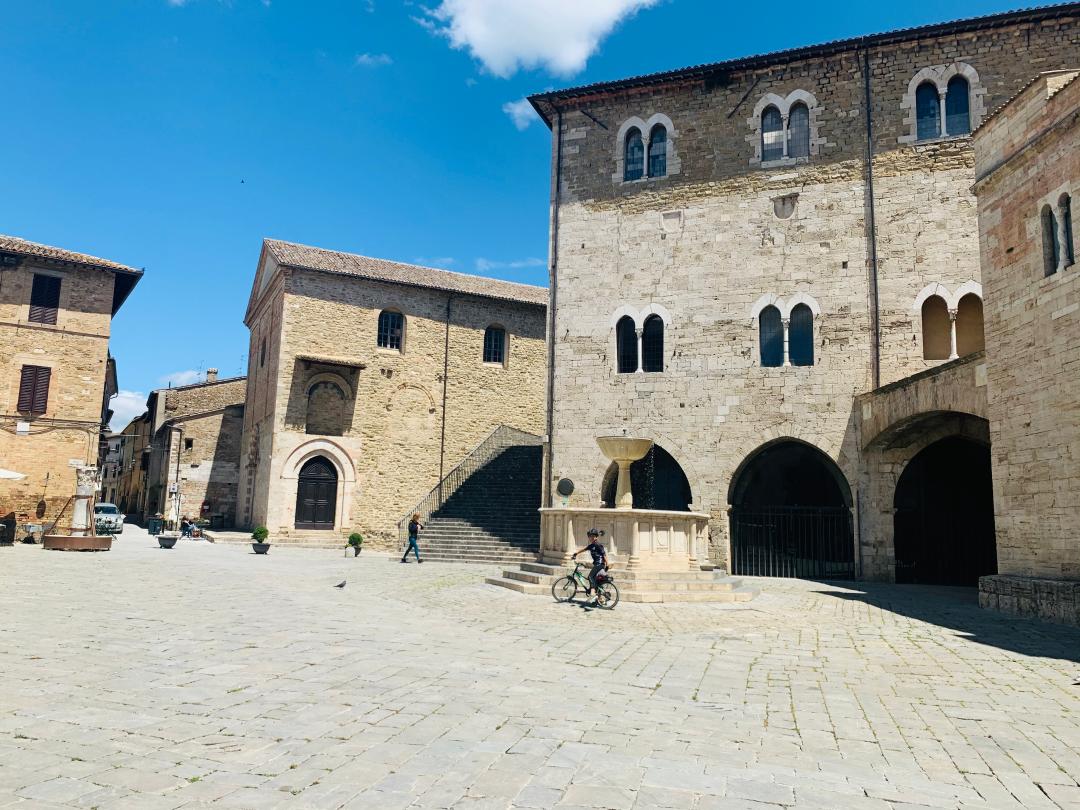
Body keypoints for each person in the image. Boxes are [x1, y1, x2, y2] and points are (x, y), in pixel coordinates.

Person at [572, 528, 608, 602]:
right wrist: (576, 553)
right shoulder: (591, 545)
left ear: (596, 537)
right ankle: (600, 598)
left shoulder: (598, 545)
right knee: (596, 580)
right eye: (590, 536)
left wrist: (607, 564)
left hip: (599, 564)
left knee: (590, 576)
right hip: (597, 564)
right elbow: (584, 549)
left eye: (593, 536)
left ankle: (592, 593)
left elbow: (604, 555)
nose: (591, 538)